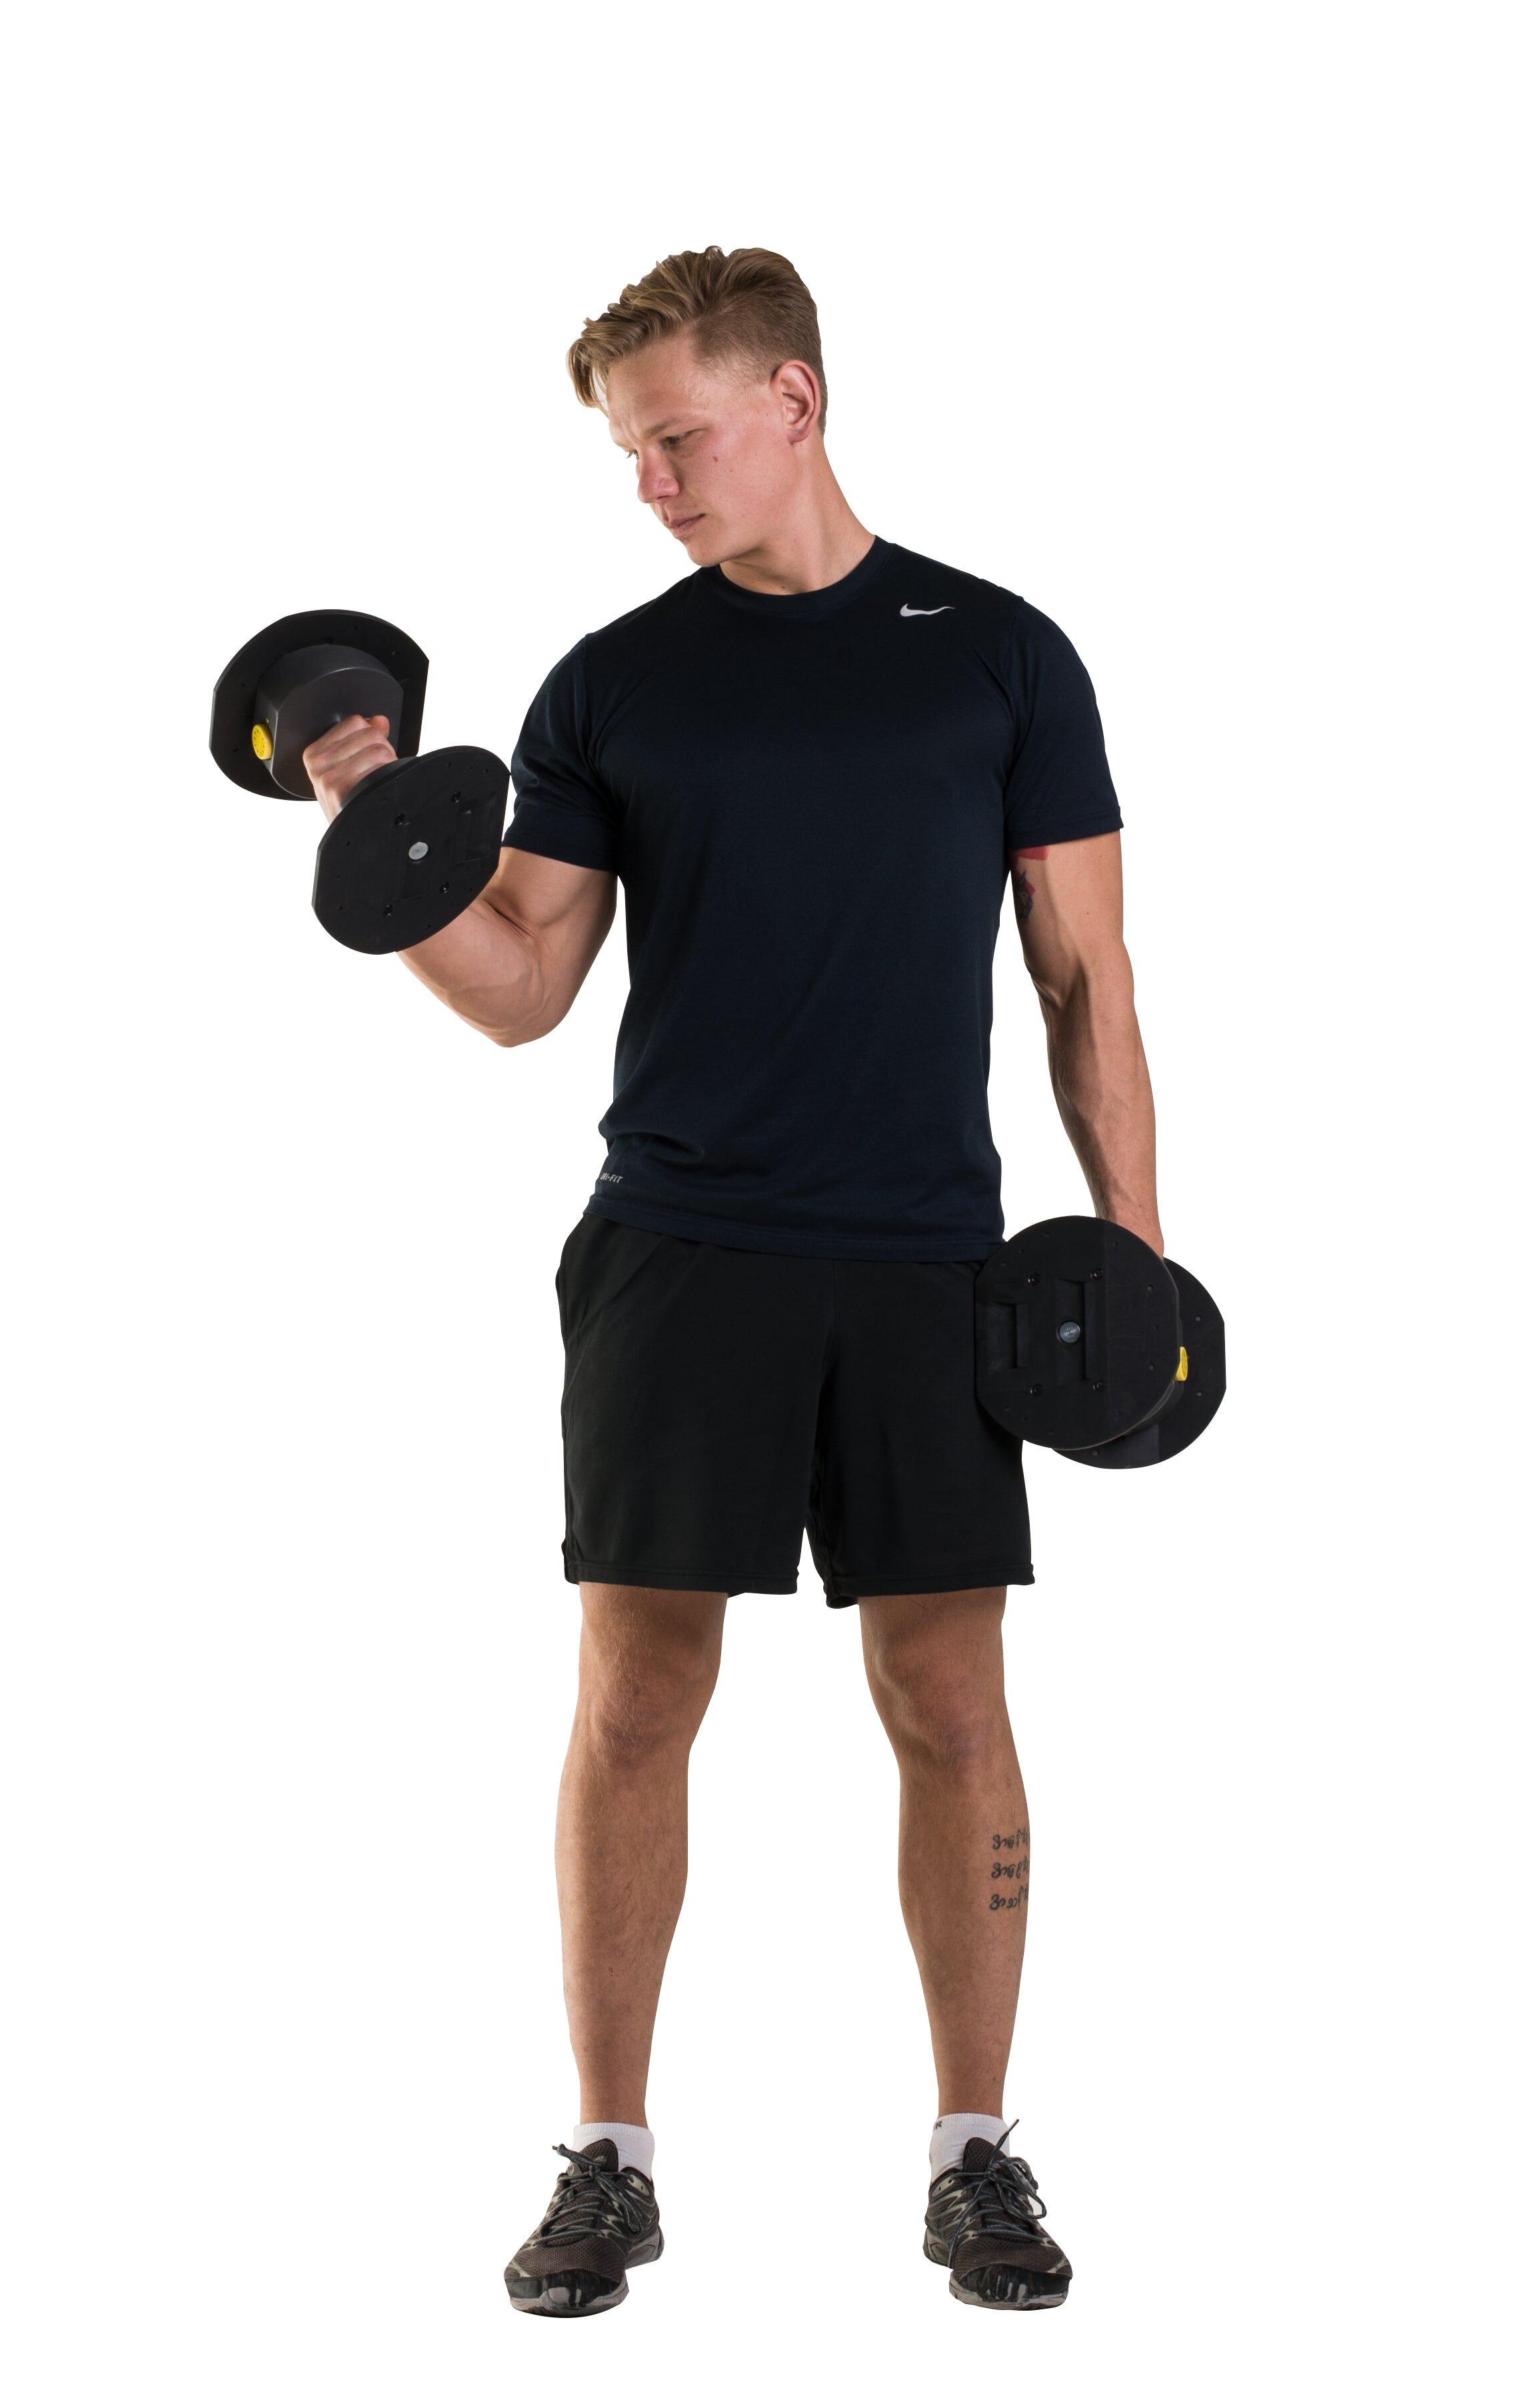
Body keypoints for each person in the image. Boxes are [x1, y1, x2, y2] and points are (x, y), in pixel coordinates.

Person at [303, 247, 1160, 2319]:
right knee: (633, 1701)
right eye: (628, 453)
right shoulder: (615, 682)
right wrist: (373, 825)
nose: (653, 483)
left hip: (927, 1261)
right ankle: (606, 2157)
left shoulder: (1001, 656)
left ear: (794, 397)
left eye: (676, 437)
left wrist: (1133, 1262)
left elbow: (1085, 978)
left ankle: (974, 2154)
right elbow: (524, 986)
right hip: (680, 1253)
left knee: (947, 1700)